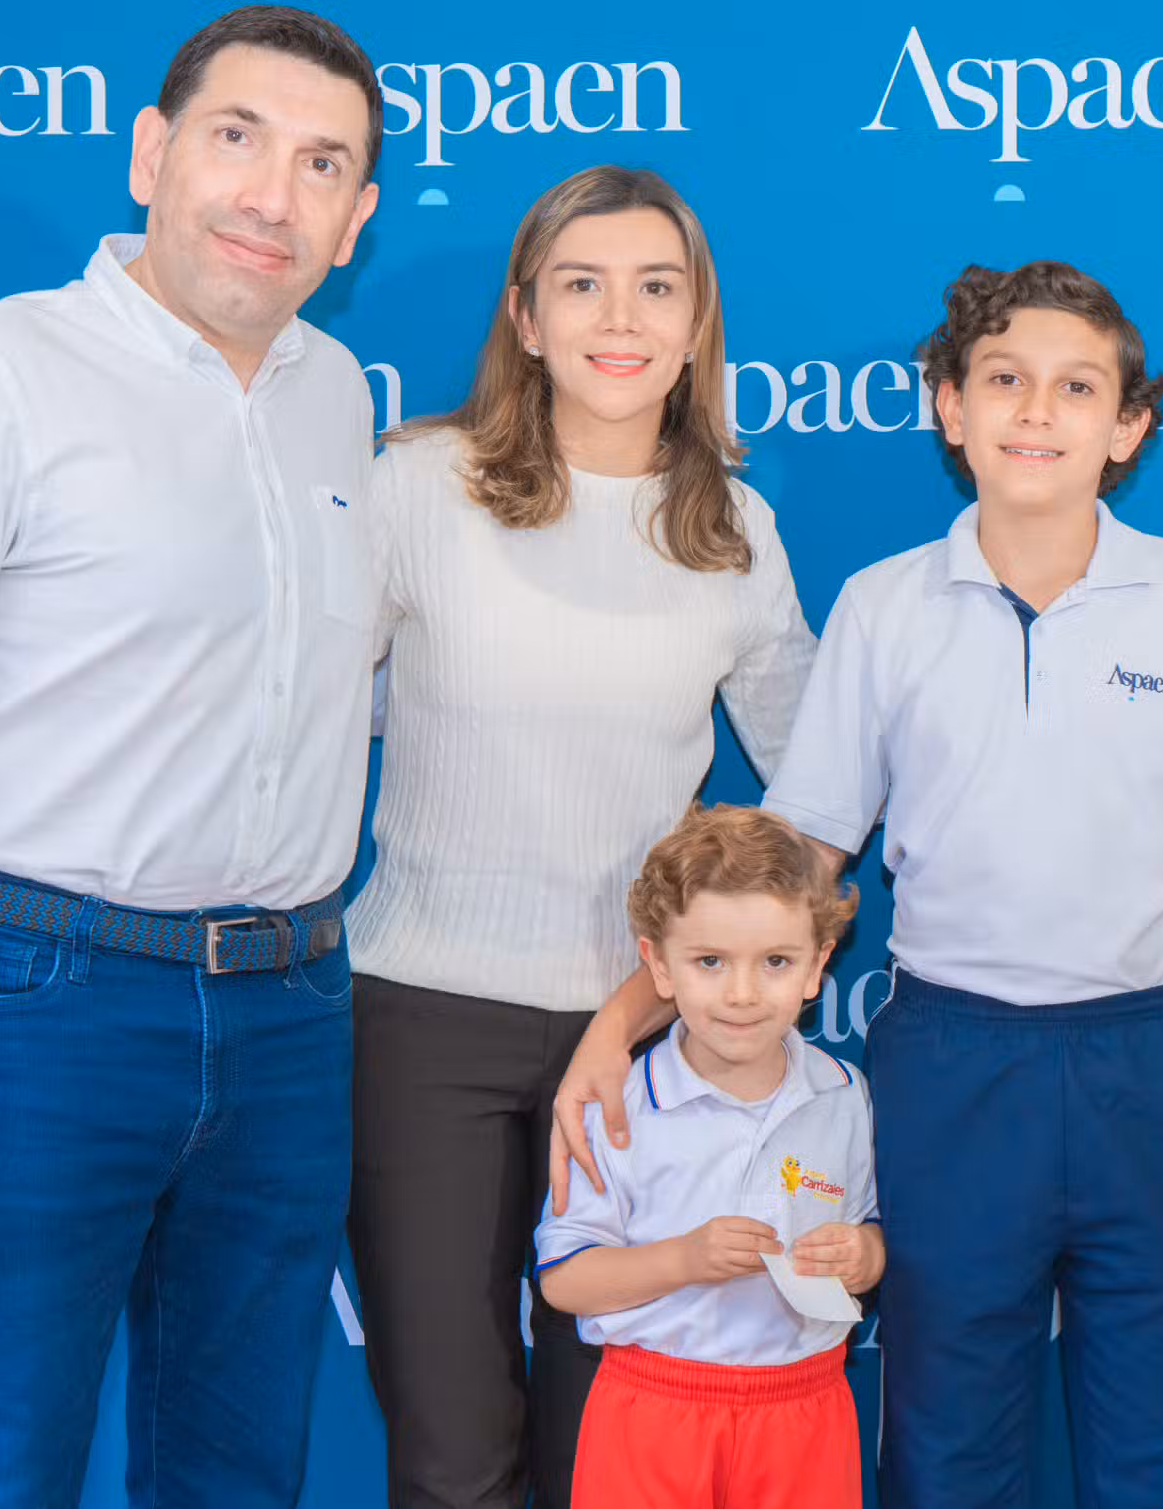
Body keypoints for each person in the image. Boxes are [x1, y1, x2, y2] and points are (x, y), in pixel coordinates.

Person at [557, 259, 1163, 1509]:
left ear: (1128, 427)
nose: (1036, 411)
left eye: (1077, 388)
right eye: (1003, 380)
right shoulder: (885, 607)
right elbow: (794, 862)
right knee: (948, 1442)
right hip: (956, 1070)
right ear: (948, 408)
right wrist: (621, 1020)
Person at [0, 5, 383, 1509]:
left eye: (320, 165)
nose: (271, 196)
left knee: (240, 1471)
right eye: (236, 138)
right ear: (150, 154)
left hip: (290, 1011)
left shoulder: (334, 398)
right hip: (35, 1006)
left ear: (357, 217)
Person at [346, 164, 817, 1509]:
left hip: (649, 1048)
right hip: (421, 1025)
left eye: (656, 286)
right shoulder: (416, 488)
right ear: (526, 316)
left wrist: (642, 1006)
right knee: (451, 1456)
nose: (621, 318)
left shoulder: (733, 529)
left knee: (610, 1456)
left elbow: (817, 795)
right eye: (582, 284)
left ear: (696, 320)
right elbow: (308, 712)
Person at [535, 804, 879, 1509]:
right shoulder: (621, 1106)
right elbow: (564, 1280)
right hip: (651, 1413)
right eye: (710, 962)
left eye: (776, 962)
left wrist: (863, 1256)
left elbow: (871, 1230)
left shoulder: (843, 1094)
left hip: (805, 1413)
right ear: (658, 965)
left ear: (818, 966)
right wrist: (684, 1259)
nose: (742, 994)